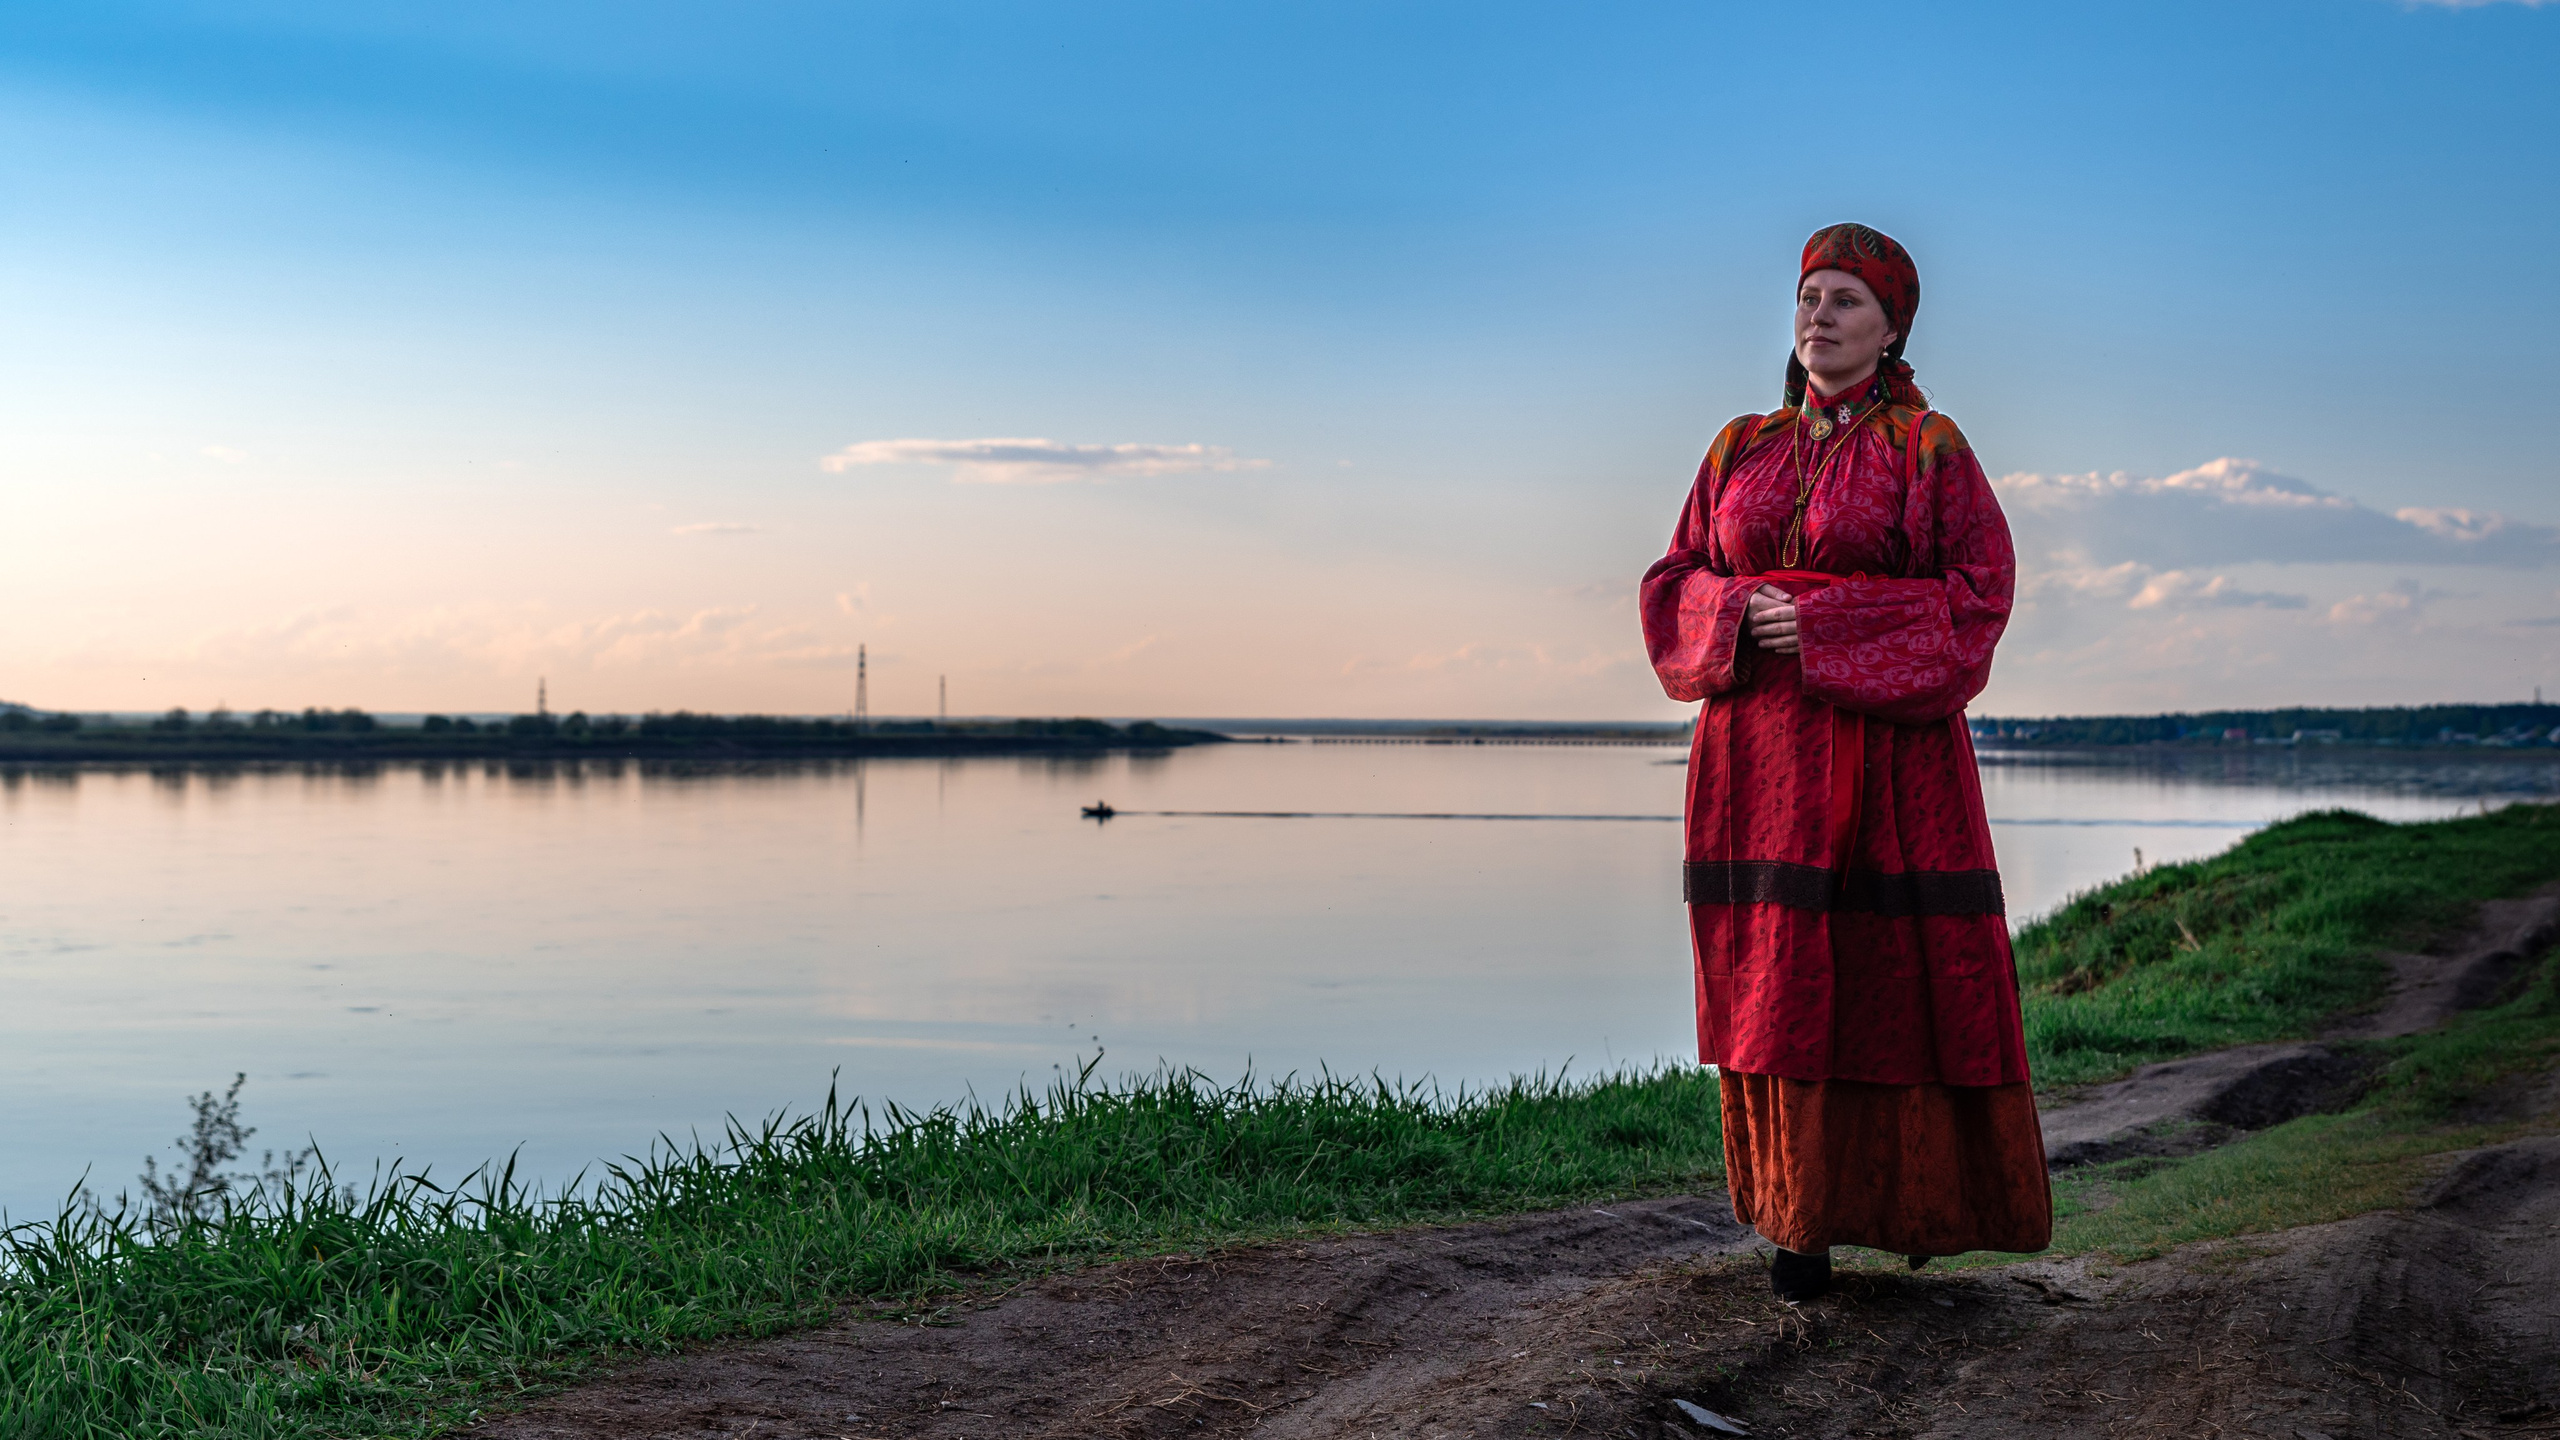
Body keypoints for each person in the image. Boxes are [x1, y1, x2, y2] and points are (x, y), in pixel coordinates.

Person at [1639, 223, 2050, 1302]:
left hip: (1888, 759)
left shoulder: (1930, 452)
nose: (1818, 315)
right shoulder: (1739, 447)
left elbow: (1977, 597)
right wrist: (1734, 610)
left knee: (1878, 974)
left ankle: (1901, 1207)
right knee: (1776, 975)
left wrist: (1819, 626)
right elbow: (1674, 576)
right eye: (1808, 296)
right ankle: (1795, 1223)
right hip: (1756, 763)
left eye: (1845, 302)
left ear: (1890, 328)